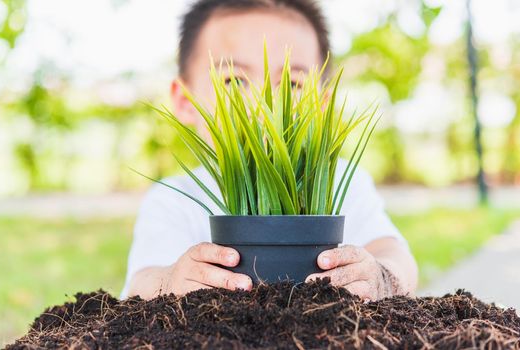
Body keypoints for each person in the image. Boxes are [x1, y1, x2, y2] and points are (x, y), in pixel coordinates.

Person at [122, 0, 418, 301]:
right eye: (234, 81)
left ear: (323, 105)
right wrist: (169, 281)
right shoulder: (173, 198)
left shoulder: (343, 180)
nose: (266, 105)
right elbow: (142, 280)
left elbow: (394, 253)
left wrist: (383, 277)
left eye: (292, 84)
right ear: (186, 101)